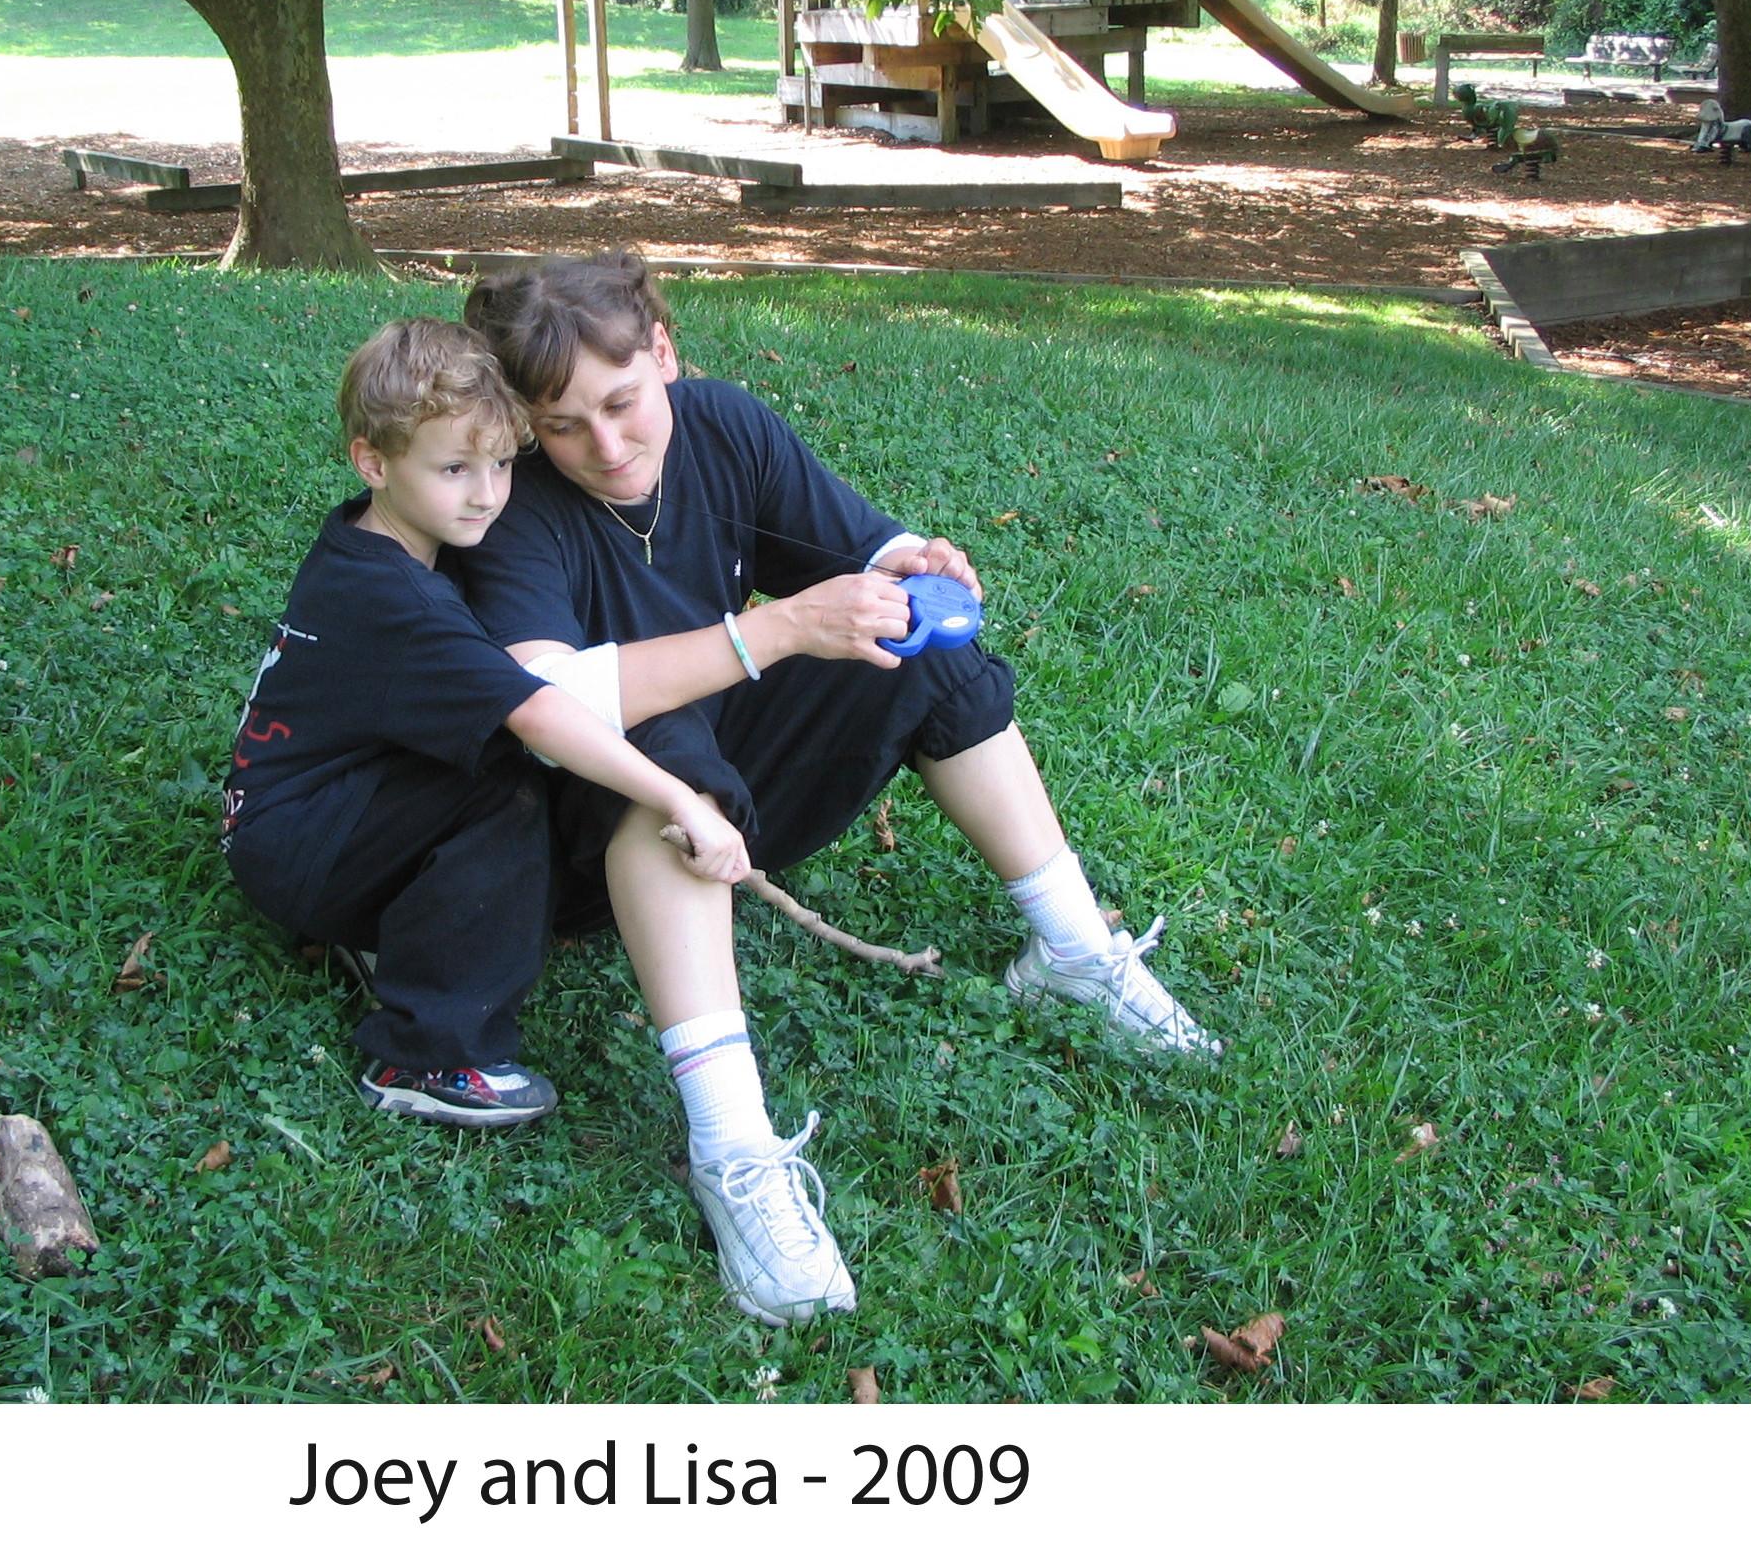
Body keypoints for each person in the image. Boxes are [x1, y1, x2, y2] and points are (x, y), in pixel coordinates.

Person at [457, 254, 1219, 1323]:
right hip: (575, 841)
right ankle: (732, 1150)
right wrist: (770, 628)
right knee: (663, 744)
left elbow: (859, 545)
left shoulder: (721, 426)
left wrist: (916, 559)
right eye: (564, 424)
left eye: (624, 402)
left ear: (664, 352)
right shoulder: (518, 509)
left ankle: (1071, 948)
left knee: (915, 645)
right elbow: (542, 697)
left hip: (725, 782)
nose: (609, 446)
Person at [221, 318, 750, 1132]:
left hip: (295, 813)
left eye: (503, 464)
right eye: (455, 469)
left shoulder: (372, 543)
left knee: (486, 775)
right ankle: (425, 1055)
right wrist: (676, 795)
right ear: (373, 462)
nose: (488, 494)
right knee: (501, 792)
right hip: (299, 843)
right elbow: (541, 716)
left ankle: (393, 933)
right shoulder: (400, 602)